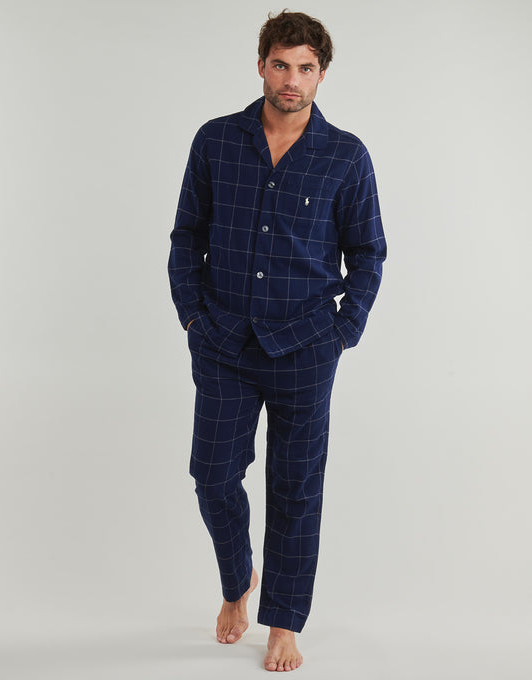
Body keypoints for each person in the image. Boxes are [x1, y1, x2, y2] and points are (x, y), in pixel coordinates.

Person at [168, 10, 386, 672]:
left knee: (295, 487)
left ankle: (284, 622)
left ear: (321, 74)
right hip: (223, 341)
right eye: (281, 65)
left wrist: (344, 330)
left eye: (305, 68)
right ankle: (238, 581)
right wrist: (191, 316)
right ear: (261, 65)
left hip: (306, 346)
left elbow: (367, 253)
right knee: (212, 474)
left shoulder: (345, 156)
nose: (292, 80)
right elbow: (187, 235)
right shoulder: (215, 140)